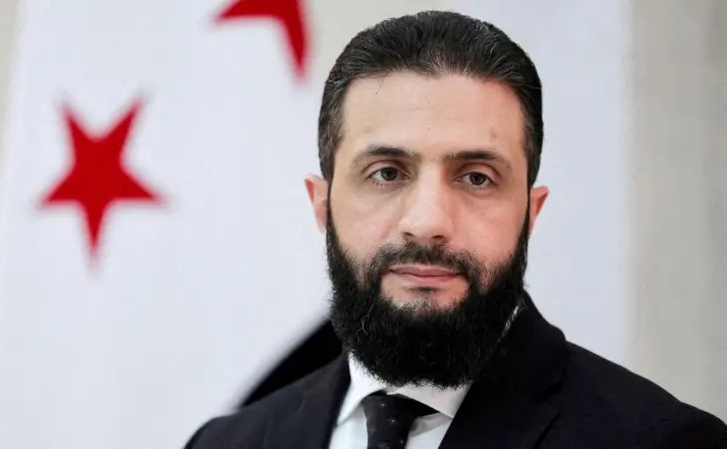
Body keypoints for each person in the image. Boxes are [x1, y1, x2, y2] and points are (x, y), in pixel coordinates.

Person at [185, 10, 727, 449]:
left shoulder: (664, 442)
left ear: (531, 213)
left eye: (476, 177)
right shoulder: (228, 443)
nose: (428, 223)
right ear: (322, 205)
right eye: (387, 173)